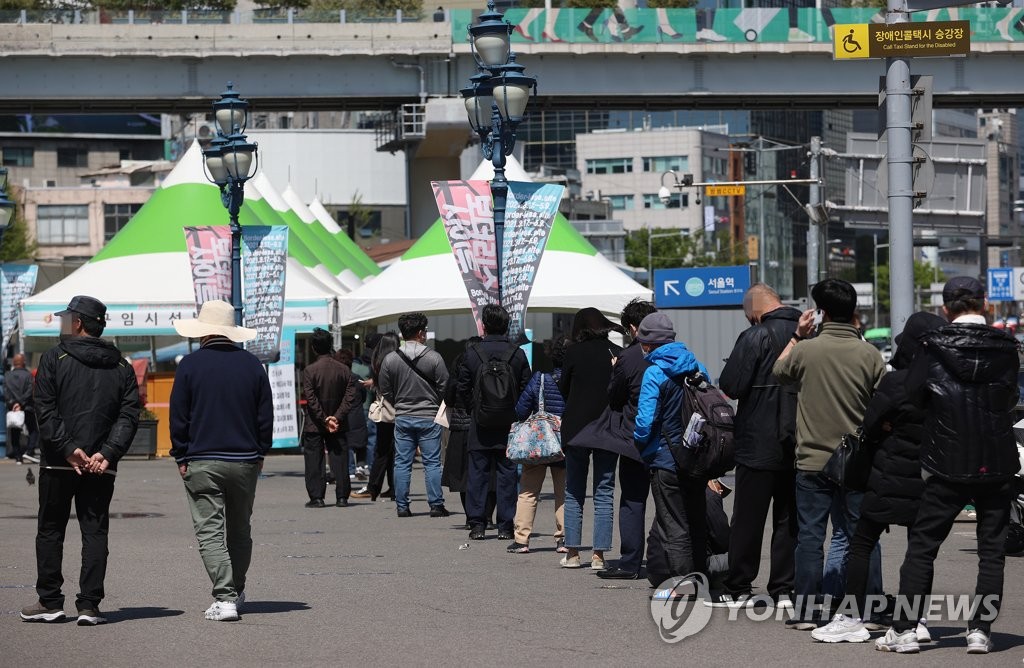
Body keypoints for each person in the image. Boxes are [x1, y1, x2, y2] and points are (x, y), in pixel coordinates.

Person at [877, 277, 1021, 654]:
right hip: (997, 459)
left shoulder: (933, 345)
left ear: (945, 309)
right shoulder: (1006, 346)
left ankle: (905, 629)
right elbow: (1009, 397)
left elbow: (913, 395)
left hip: (945, 458)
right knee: (992, 550)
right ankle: (980, 630)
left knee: (923, 546)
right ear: (985, 304)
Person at [811, 311, 944, 644]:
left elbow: (871, 426)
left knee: (862, 543)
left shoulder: (897, 382)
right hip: (929, 478)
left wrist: (887, 427)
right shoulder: (944, 384)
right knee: (920, 551)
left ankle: (852, 617)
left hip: (887, 475)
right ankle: (916, 620)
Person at [772, 279, 886, 629]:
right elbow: (883, 404)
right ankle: (869, 606)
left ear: (820, 312)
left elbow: (779, 371)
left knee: (809, 536)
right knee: (862, 535)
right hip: (856, 461)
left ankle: (806, 611)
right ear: (854, 312)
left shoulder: (807, 351)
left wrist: (797, 335)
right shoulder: (869, 354)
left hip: (811, 460)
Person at [20, 295, 140, 625]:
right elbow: (129, 414)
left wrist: (68, 448)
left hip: (60, 461)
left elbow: (45, 408)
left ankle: (50, 601)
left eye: (68, 318)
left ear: (77, 323)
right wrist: (107, 452)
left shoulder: (54, 358)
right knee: (95, 530)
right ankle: (89, 605)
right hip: (101, 463)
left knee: (50, 529)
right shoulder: (121, 365)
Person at [168, 300, 273, 622]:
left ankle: (225, 597)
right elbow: (264, 416)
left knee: (210, 531)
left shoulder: (189, 365)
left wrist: (181, 454)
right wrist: (260, 453)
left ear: (203, 333)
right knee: (240, 529)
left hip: (201, 459)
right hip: (244, 459)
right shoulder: (253, 365)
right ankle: (236, 590)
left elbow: (179, 417)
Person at [710, 284, 800, 607]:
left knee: (748, 518)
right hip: (798, 440)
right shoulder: (807, 333)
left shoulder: (756, 336)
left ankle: (738, 586)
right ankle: (785, 588)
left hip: (757, 440)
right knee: (789, 519)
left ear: (754, 312)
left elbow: (731, 384)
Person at [633, 312, 710, 583]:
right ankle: (701, 578)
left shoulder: (654, 372)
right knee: (696, 519)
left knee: (673, 523)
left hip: (666, 458)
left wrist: (642, 444)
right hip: (698, 457)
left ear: (650, 344)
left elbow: (644, 422)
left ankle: (681, 584)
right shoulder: (698, 367)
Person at [456, 304, 531, 540]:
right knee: (507, 474)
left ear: (484, 325)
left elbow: (463, 388)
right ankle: (506, 526)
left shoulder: (473, 353)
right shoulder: (517, 354)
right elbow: (526, 388)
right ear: (508, 325)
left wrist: (474, 409)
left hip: (480, 423)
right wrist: (516, 414)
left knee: (477, 473)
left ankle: (477, 524)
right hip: (508, 423)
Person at [596, 298, 658, 579]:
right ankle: (670, 560)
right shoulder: (676, 353)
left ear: (633, 328)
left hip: (636, 440)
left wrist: (615, 368)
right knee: (671, 502)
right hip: (670, 439)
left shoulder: (628, 357)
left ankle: (631, 562)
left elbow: (614, 395)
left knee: (633, 500)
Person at [558, 308, 624, 569]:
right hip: (607, 428)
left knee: (574, 490)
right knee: (604, 491)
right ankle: (599, 556)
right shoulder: (615, 353)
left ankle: (573, 553)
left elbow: (564, 388)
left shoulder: (573, 352)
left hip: (576, 429)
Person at [378, 313, 450, 518]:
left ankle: (402, 506)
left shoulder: (390, 359)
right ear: (420, 333)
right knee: (432, 463)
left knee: (402, 462)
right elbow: (445, 386)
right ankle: (436, 505)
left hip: (403, 416)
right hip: (429, 416)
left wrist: (399, 402)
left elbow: (385, 389)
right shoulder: (434, 358)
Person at [507, 335, 568, 554]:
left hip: (538, 442)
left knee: (528, 491)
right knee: (564, 491)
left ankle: (522, 539)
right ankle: (564, 539)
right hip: (565, 441)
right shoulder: (576, 380)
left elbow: (521, 410)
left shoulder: (540, 379)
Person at [442, 336, 497, 525]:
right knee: (490, 474)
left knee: (464, 476)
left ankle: (470, 517)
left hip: (460, 428)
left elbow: (448, 399)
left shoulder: (458, 369)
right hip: (485, 425)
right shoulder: (489, 368)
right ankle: (488, 517)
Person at [300, 329, 356, 508]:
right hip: (338, 421)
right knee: (339, 458)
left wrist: (324, 419)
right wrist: (336, 417)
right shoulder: (344, 369)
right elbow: (350, 397)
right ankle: (342, 496)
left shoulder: (310, 371)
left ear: (314, 348)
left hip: (315, 423)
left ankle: (317, 497)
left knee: (314, 459)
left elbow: (311, 398)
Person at [365, 332, 399, 502]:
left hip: (384, 413)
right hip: (400, 411)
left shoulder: (377, 362)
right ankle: (394, 488)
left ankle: (374, 487)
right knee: (396, 453)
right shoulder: (399, 361)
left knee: (382, 450)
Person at [335, 348, 369, 499]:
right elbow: (363, 396)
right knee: (360, 443)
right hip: (357, 415)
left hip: (343, 416)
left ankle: (348, 470)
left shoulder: (337, 380)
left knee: (346, 445)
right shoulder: (357, 379)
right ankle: (360, 466)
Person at [6, 353, 39, 464]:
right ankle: (29, 451)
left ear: (14, 363)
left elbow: (6, 393)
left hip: (14, 409)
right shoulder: (28, 375)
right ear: (23, 362)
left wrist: (14, 404)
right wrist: (21, 403)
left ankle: (18, 457)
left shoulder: (7, 376)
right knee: (33, 430)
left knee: (15, 432)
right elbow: (29, 391)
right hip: (27, 407)